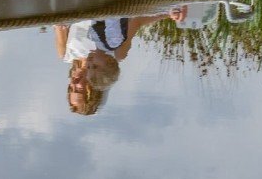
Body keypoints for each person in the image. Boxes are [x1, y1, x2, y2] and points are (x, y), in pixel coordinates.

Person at [56, 7, 188, 115]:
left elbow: (57, 20)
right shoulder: (116, 53)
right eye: (78, 90)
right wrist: (167, 13)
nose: (73, 84)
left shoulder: (66, 54)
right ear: (93, 89)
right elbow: (136, 22)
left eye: (70, 88)